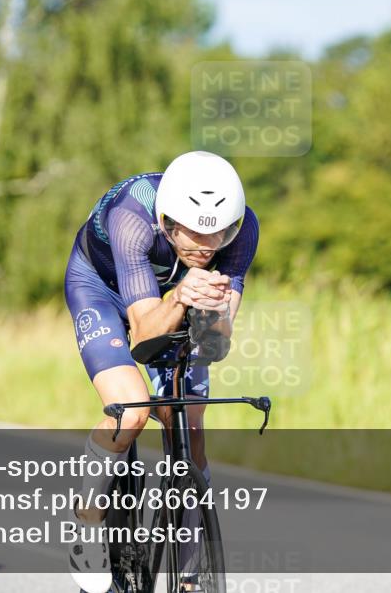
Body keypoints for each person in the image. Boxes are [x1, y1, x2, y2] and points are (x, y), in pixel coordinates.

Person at [65, 151, 259, 592]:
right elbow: (143, 337)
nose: (208, 246)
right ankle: (87, 519)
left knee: (190, 425)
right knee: (131, 412)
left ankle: (190, 575)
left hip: (173, 293)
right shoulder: (132, 218)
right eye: (196, 233)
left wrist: (213, 313)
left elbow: (216, 345)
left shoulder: (244, 228)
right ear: (167, 222)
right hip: (101, 290)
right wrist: (180, 298)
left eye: (220, 233)